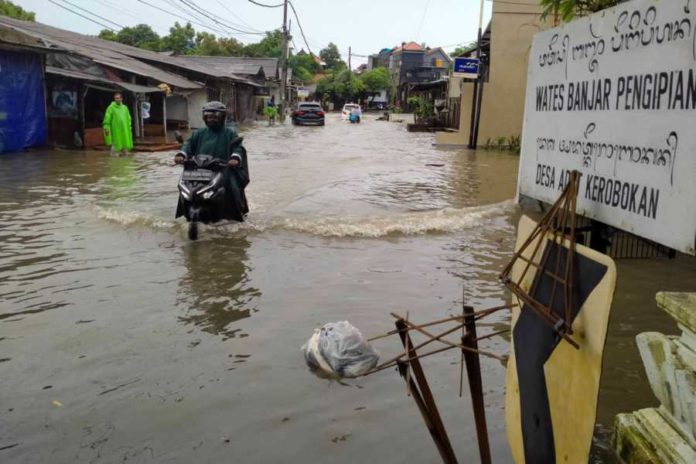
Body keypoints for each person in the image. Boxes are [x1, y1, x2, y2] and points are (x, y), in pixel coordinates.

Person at [174, 101, 250, 220]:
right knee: (185, 185)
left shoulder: (229, 133)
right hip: (200, 170)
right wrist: (181, 155)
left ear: (222, 117)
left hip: (223, 170)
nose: (211, 119)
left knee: (232, 186)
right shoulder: (199, 133)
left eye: (214, 117)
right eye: (208, 117)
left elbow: (237, 148)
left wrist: (234, 158)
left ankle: (237, 212)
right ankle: (184, 211)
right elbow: (188, 144)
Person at [103, 92, 133, 156]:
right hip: (115, 132)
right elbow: (106, 121)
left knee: (125, 155)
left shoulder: (125, 108)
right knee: (115, 153)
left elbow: (129, 120)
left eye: (118, 98)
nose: (117, 100)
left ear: (121, 99)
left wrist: (129, 129)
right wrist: (107, 130)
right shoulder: (111, 108)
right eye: (116, 98)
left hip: (124, 133)